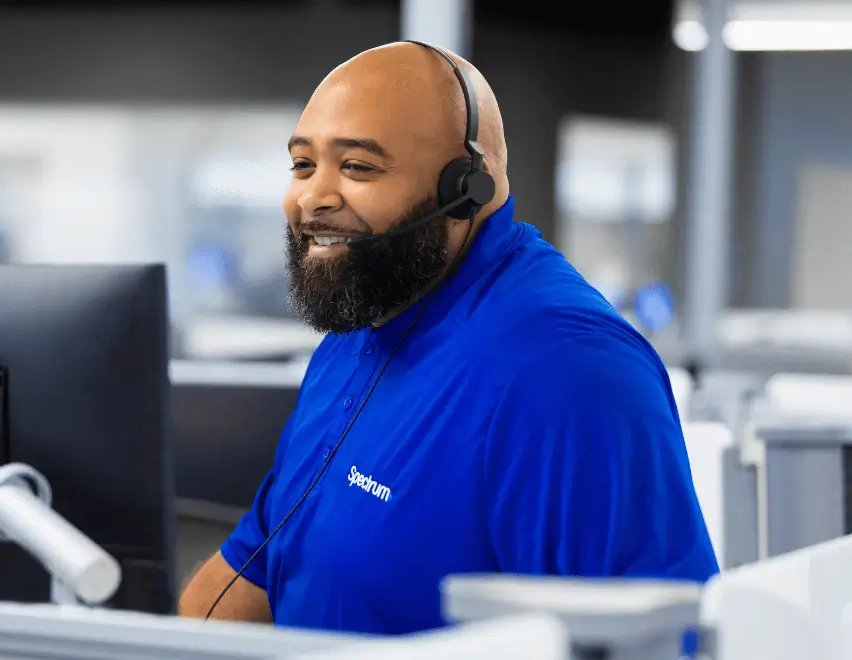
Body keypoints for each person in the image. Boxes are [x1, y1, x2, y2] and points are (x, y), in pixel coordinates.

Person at [178, 41, 718, 635]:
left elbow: (655, 641)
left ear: (467, 188)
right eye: (303, 165)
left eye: (357, 166)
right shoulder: (359, 326)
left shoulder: (564, 369)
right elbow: (253, 566)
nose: (313, 197)